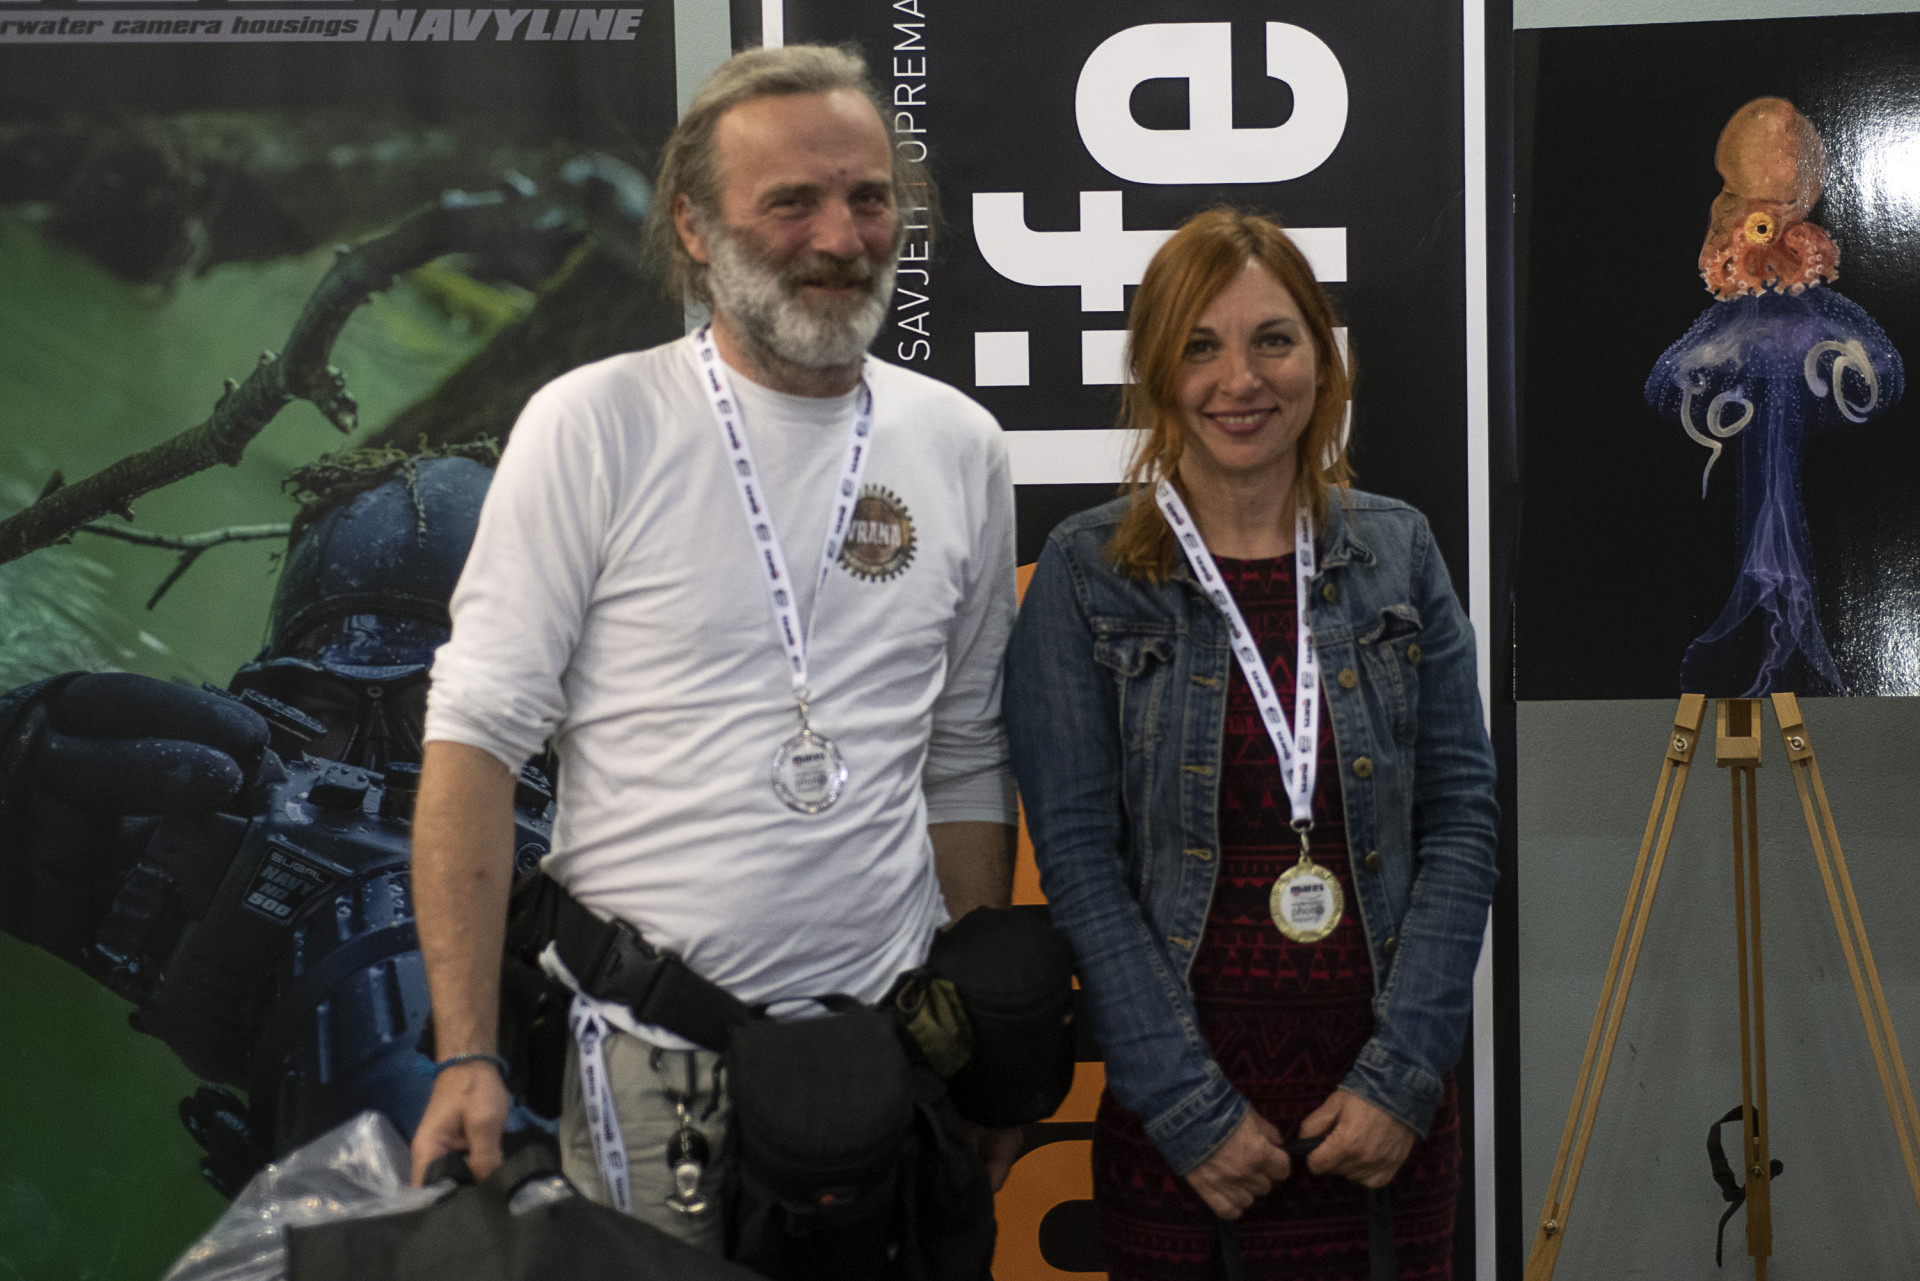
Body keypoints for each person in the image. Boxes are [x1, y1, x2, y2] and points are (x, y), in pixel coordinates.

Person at [407, 42, 1021, 1259]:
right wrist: (466, 1052)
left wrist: (979, 1042)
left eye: (868, 197)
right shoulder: (594, 426)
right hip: (648, 1059)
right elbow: (473, 743)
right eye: (790, 202)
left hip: (884, 1062)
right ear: (693, 227)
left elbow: (960, 756)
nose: (840, 237)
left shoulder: (958, 444)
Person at [1003, 209, 1498, 1279]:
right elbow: (1078, 864)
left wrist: (1402, 1078)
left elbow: (1463, 821)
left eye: (1274, 339)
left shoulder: (1401, 549)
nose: (1241, 379)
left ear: (1322, 360)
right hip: (1184, 1134)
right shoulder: (1085, 574)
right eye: (1200, 346)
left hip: (1384, 1127)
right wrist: (1187, 1108)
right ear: (1155, 371)